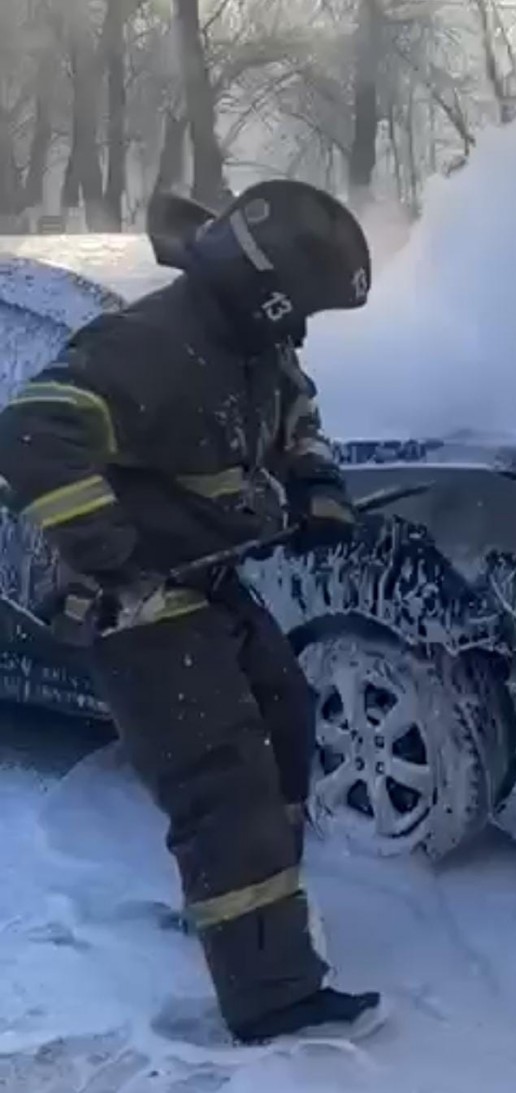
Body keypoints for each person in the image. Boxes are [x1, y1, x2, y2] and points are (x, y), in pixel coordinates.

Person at [0, 180, 383, 1041]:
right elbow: (29, 434)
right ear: (264, 287)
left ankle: (252, 910)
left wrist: (316, 485)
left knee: (286, 714)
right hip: (141, 602)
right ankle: (272, 995)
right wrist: (116, 557)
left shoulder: (253, 343)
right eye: (301, 307)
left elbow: (297, 409)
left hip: (209, 583)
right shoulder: (149, 345)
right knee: (224, 778)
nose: (304, 329)